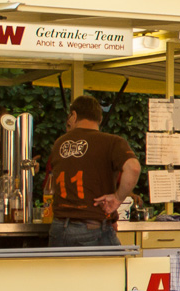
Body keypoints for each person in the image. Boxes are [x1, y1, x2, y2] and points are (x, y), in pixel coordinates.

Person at [46, 94, 140, 247]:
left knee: (62, 271)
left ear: (74, 115)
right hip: (93, 228)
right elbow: (133, 168)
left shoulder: (59, 144)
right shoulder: (111, 142)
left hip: (59, 228)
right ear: (99, 119)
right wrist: (117, 198)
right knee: (118, 269)